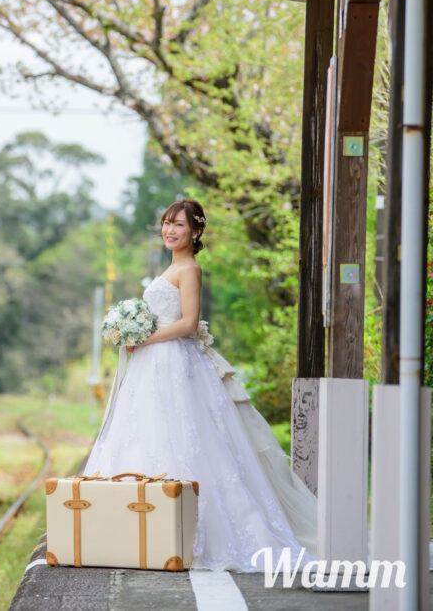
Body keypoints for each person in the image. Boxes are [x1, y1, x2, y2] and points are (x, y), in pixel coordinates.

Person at [83, 199, 317, 572]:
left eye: (178, 225)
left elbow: (189, 323)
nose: (170, 230)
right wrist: (135, 335)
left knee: (183, 437)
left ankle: (186, 532)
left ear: (196, 231)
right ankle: (139, 530)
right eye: (166, 223)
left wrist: (144, 337)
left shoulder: (189, 268)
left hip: (171, 361)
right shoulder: (173, 266)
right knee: (146, 433)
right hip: (154, 361)